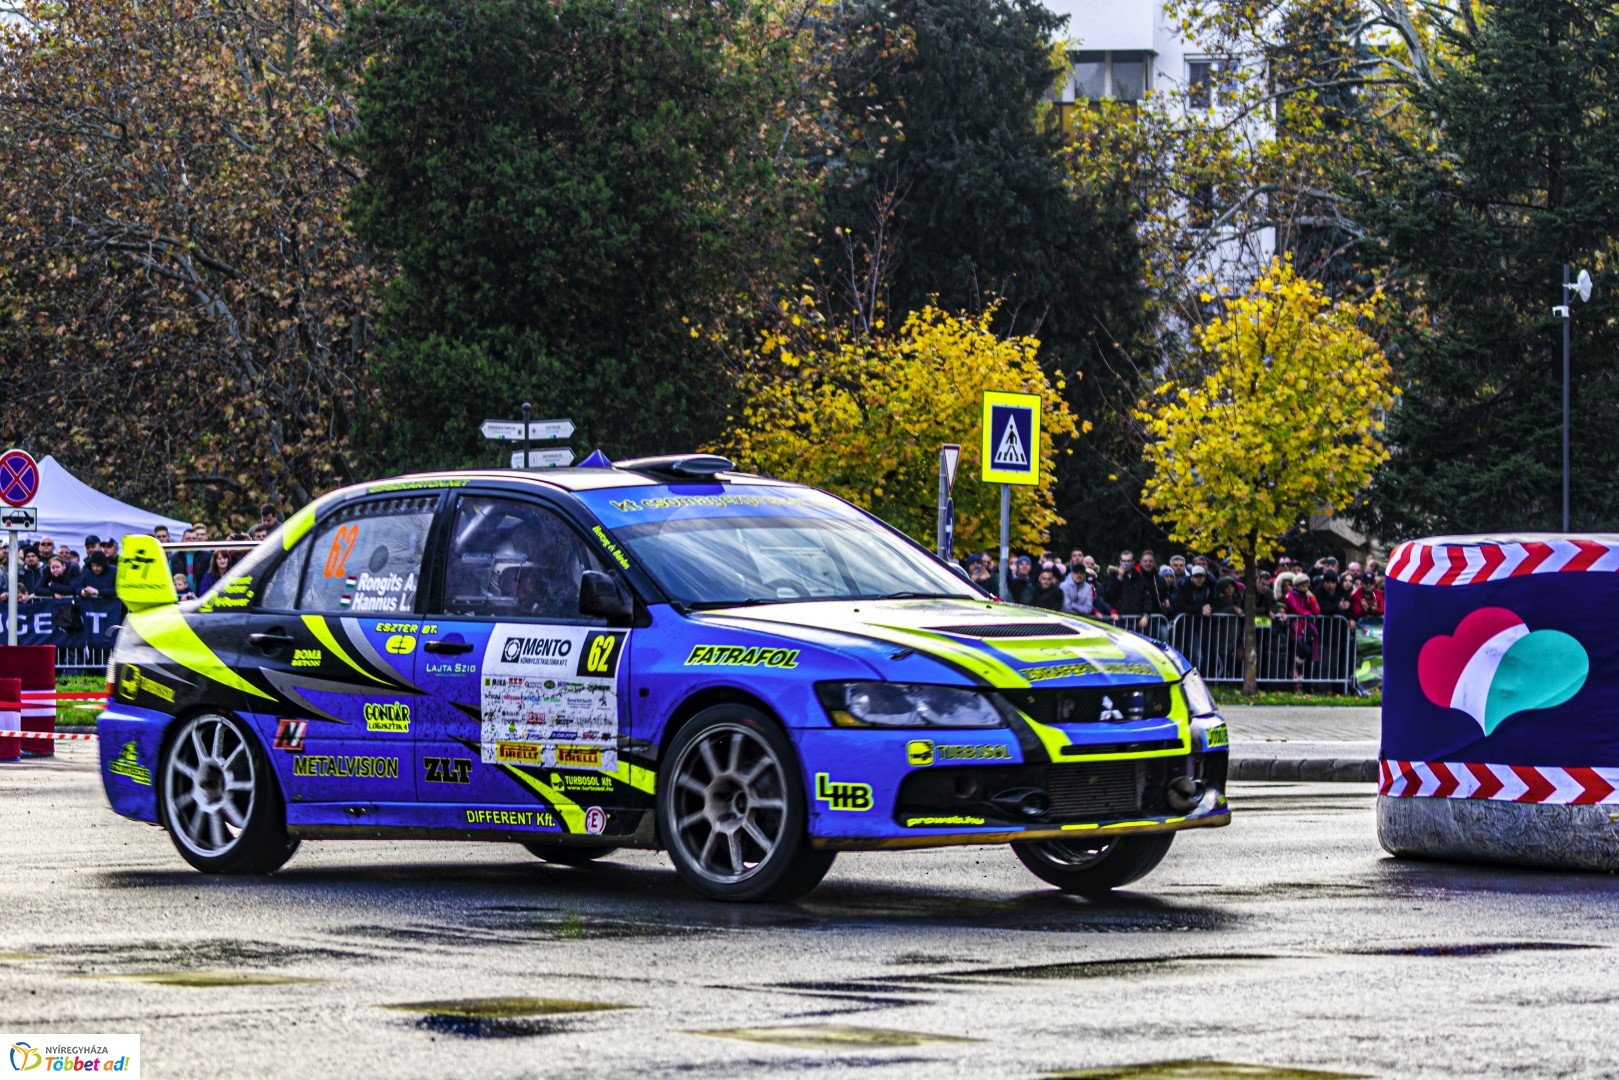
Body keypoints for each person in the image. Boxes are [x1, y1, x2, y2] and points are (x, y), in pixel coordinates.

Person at [1283, 573, 1322, 691]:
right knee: (1303, 650)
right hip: (1295, 629)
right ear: (1298, 585)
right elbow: (1296, 609)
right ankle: (1293, 670)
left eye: (1308, 585)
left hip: (1307, 629)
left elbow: (1316, 610)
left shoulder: (1308, 596)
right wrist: (1307, 613)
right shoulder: (1290, 595)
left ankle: (1300, 676)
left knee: (1308, 653)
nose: (1307, 588)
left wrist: (1313, 598)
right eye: (1304, 585)